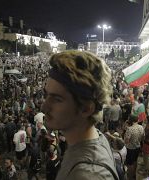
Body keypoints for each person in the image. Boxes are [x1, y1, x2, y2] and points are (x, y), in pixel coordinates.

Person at [41, 50, 118, 179]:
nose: (44, 107)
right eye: (46, 95)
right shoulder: (95, 138)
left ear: (86, 109)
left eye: (57, 99)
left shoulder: (87, 175)